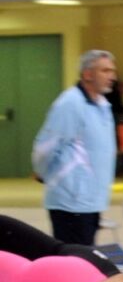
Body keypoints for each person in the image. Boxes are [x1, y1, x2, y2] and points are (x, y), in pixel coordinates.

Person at [31, 50, 117, 246]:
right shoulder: (70, 104)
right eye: (105, 70)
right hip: (71, 202)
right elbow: (46, 146)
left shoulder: (102, 105)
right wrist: (41, 172)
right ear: (87, 74)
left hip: (92, 199)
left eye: (112, 71)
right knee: (74, 264)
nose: (112, 76)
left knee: (86, 262)